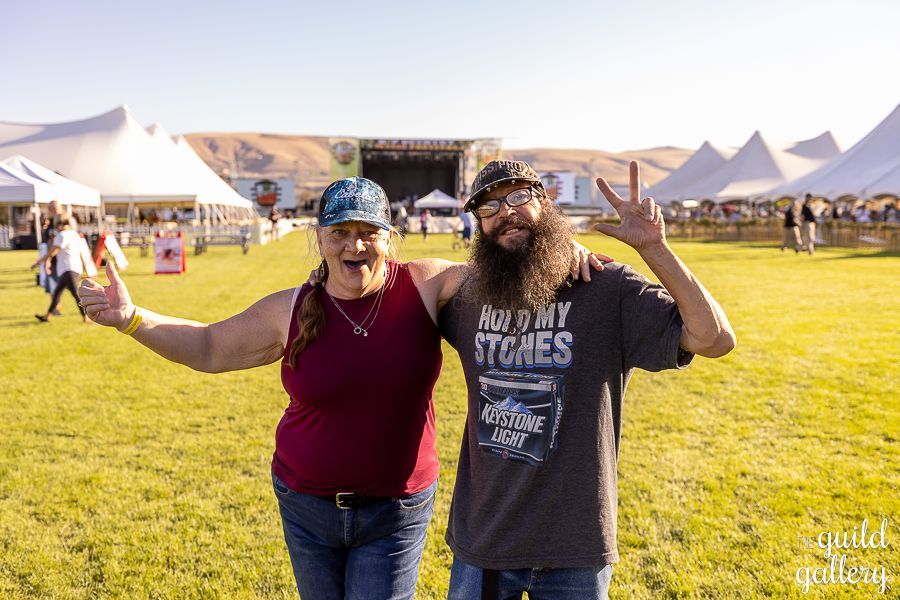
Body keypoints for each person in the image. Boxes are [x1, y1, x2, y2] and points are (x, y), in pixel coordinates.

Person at [77, 176, 604, 599]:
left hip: (395, 511)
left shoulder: (425, 284)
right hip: (305, 507)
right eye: (340, 232)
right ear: (321, 238)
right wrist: (131, 319)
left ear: (390, 239)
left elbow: (510, 257)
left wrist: (562, 247)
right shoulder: (290, 308)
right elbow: (211, 347)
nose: (355, 245)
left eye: (369, 231)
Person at [438, 160, 736, 599]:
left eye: (519, 196)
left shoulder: (606, 288)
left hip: (576, 546)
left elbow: (714, 339)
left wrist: (655, 249)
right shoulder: (465, 298)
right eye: (489, 207)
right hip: (485, 538)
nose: (505, 212)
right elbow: (394, 277)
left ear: (545, 202)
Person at [34, 217, 88, 323]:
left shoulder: (62, 235)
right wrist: (85, 265)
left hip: (68, 269)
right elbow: (81, 252)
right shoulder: (75, 235)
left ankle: (87, 316)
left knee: (76, 294)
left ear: (60, 225)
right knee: (57, 293)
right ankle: (47, 316)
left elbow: (53, 251)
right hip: (74, 268)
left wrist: (42, 260)